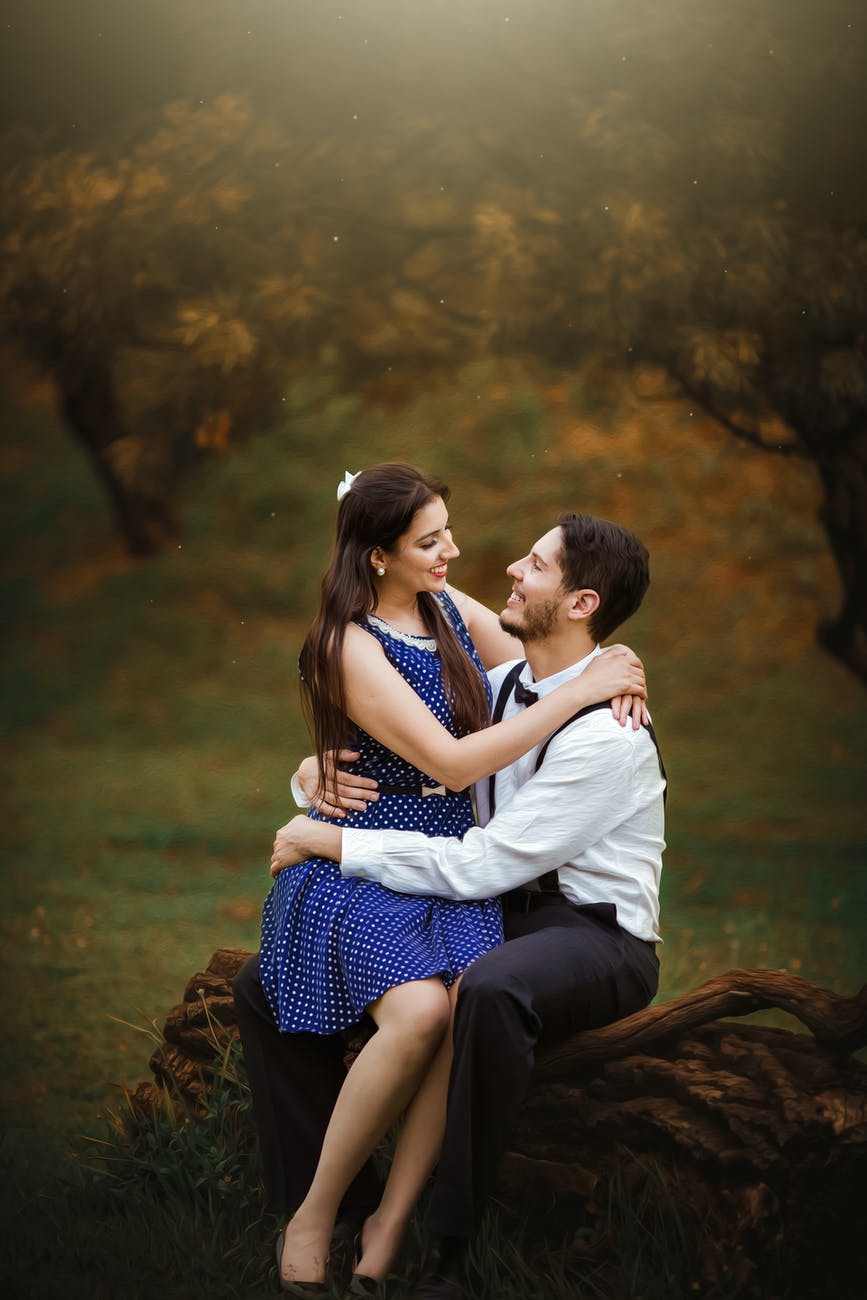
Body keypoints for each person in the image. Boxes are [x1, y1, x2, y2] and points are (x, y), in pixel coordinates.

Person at [233, 466, 646, 1297]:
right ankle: (315, 1212)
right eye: (430, 540)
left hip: (455, 864)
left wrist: (619, 674)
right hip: (383, 856)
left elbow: (550, 669)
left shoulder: (448, 611)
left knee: (457, 1005)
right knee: (404, 1008)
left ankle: (395, 1225)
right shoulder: (348, 641)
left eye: (448, 531)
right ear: (377, 554)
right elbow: (457, 757)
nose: (457, 552)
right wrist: (309, 775)